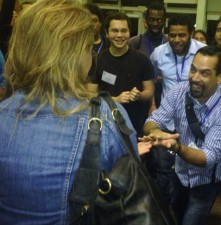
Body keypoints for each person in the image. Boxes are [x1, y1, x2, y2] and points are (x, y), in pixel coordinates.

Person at [0, 0, 151, 223]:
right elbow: (128, 190)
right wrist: (120, 144)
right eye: (87, 48)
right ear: (75, 55)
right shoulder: (107, 119)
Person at [141, 45, 221, 225]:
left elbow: (207, 157)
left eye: (204, 73)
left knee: (192, 220)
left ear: (220, 77)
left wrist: (175, 146)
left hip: (207, 181)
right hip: (180, 172)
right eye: (193, 70)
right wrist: (155, 131)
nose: (195, 78)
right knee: (177, 212)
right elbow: (154, 119)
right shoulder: (180, 91)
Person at [148, 14, 206, 203]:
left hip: (194, 121)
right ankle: (164, 207)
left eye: (182, 35)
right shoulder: (159, 53)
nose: (177, 40)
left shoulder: (204, 54)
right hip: (167, 119)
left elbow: (218, 86)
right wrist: (153, 105)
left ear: (191, 34)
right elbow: (152, 80)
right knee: (163, 167)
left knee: (191, 167)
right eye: (172, 35)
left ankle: (185, 204)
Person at [88, 11, 154, 138]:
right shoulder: (97, 60)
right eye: (114, 31)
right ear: (107, 33)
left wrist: (139, 95)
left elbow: (149, 91)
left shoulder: (142, 59)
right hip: (106, 122)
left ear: (129, 33)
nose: (119, 35)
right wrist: (115, 100)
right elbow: (90, 95)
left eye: (124, 31)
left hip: (135, 123)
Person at [129, 1, 168, 111]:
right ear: (146, 21)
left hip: (164, 98)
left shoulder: (170, 43)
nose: (155, 23)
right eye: (152, 19)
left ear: (164, 22)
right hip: (139, 97)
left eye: (159, 20)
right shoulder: (135, 42)